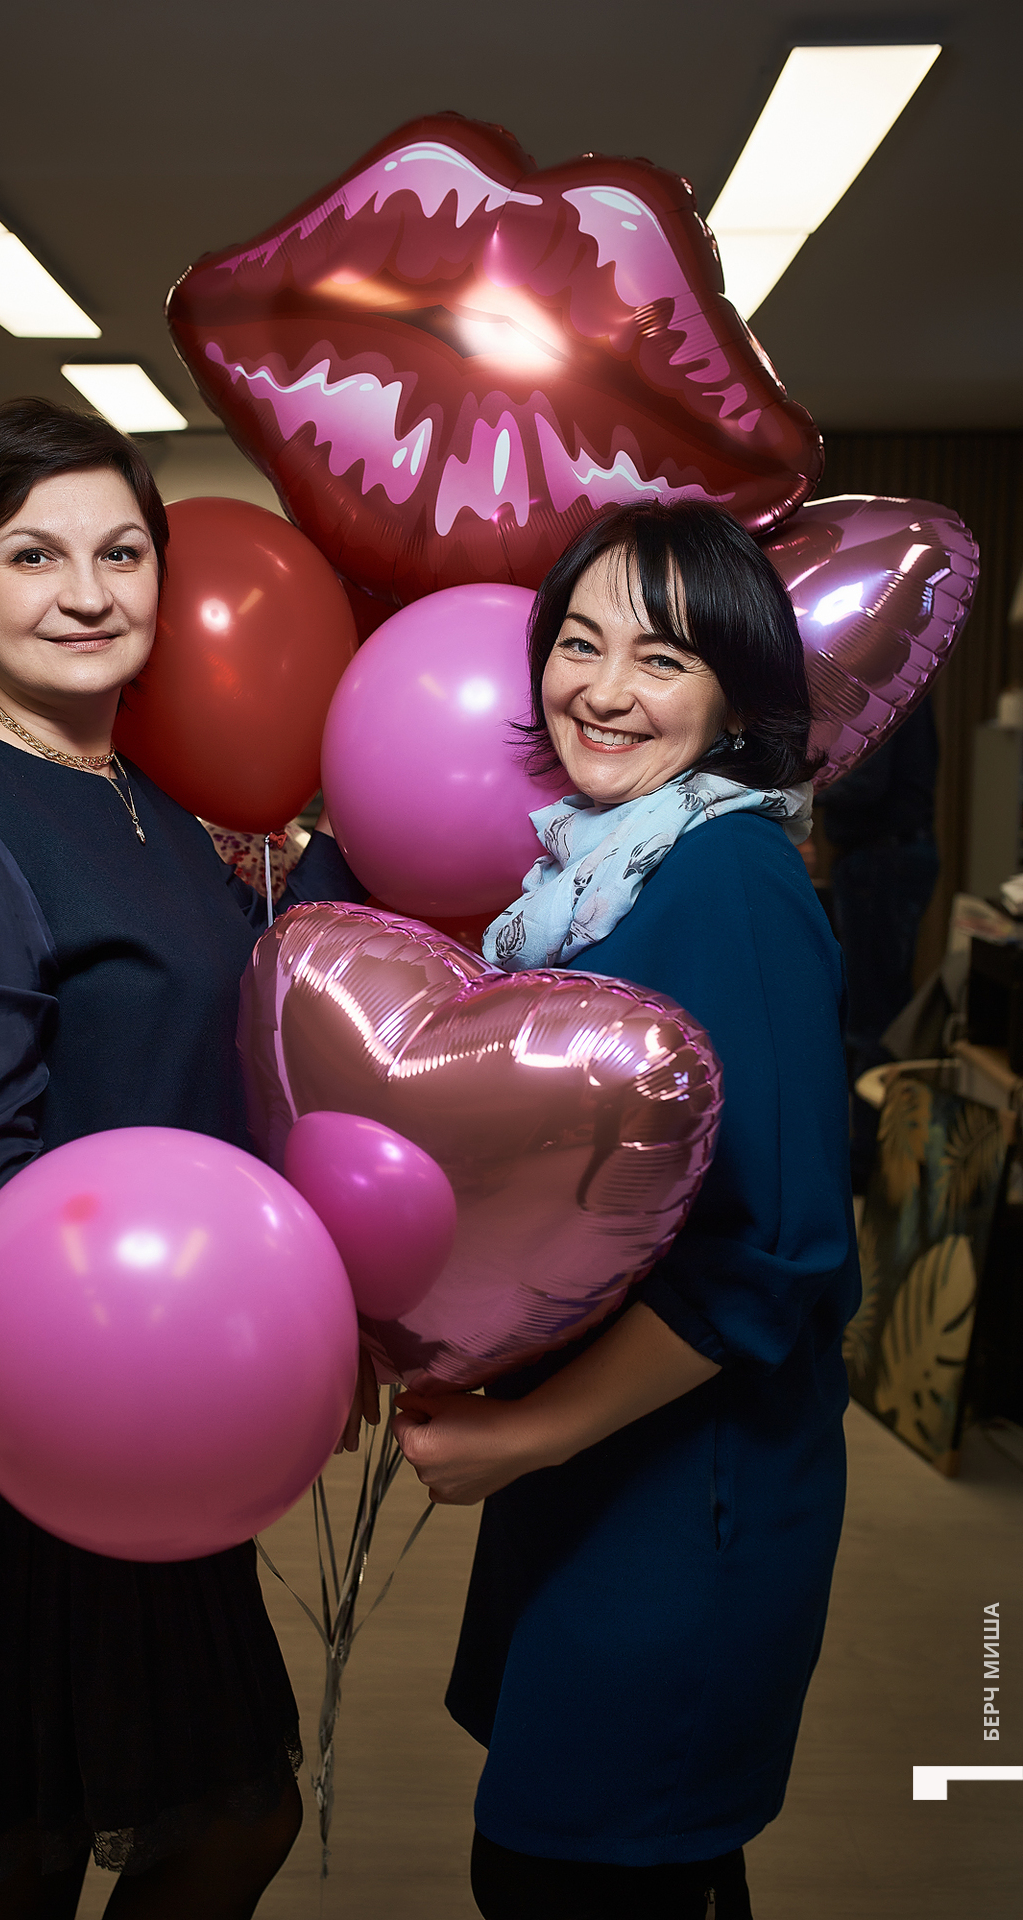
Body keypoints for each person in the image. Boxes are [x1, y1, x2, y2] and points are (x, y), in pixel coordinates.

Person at [0, 398, 372, 1919]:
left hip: (157, 1399)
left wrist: (359, 829)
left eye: (122, 552)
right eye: (34, 555)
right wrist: (238, 1335)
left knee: (223, 1815)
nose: (86, 593)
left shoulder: (135, 789)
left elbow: (220, 997)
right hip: (24, 1419)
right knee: (45, 1864)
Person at [393, 502, 860, 1920]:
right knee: (633, 1863)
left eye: (661, 659)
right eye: (577, 644)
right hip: (601, 1462)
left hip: (687, 1489)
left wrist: (523, 1434)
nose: (602, 690)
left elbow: (772, 1255)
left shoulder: (730, 876)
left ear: (734, 695)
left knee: (578, 1867)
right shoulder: (595, 874)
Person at [819, 702, 940, 1188]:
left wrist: (800, 783)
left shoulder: (886, 699)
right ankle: (882, 1155)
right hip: (894, 856)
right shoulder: (909, 693)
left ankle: (867, 1161)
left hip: (880, 863)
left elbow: (866, 784)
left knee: (871, 1018)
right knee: (883, 1007)